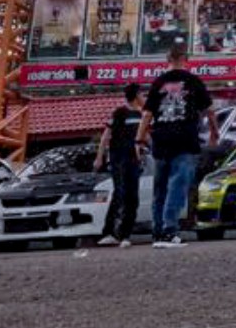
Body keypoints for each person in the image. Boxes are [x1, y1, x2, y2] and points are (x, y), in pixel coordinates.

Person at [136, 39, 217, 249]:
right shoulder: (193, 81)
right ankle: (169, 231)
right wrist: (214, 133)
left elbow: (147, 114)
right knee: (177, 187)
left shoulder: (158, 82)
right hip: (185, 141)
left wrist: (139, 139)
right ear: (184, 59)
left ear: (167, 60)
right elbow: (209, 110)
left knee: (160, 189)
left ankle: (158, 233)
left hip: (161, 141)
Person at [93, 83, 145, 247]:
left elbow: (144, 137)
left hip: (134, 160)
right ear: (136, 95)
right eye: (142, 94)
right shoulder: (119, 112)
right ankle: (109, 232)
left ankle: (125, 234)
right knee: (120, 192)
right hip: (119, 158)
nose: (143, 98)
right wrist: (99, 157)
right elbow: (106, 136)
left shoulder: (141, 115)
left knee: (133, 196)